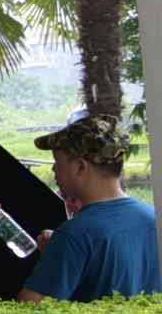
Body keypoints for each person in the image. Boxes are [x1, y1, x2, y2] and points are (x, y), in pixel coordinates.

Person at [21, 115, 161, 302]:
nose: (53, 170)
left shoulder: (74, 234)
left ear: (80, 167)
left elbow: (31, 306)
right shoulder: (153, 218)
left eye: (57, 162)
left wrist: (55, 256)